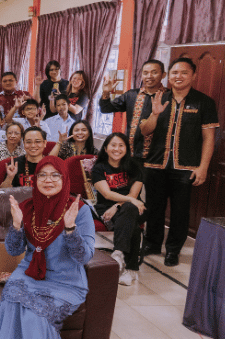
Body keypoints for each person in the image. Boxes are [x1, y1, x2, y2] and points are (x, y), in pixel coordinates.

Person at [0, 156, 103, 339]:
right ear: (35, 179)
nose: (48, 180)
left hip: (65, 281)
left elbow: (84, 257)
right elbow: (13, 250)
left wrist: (71, 229)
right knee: (10, 303)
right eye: (42, 175)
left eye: (55, 175)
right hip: (29, 273)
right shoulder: (27, 207)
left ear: (65, 179)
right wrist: (17, 226)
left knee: (35, 318)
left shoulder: (80, 210)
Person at [140, 57, 219, 267]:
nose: (179, 76)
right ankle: (152, 243)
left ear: (193, 75)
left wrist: (203, 167)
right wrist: (155, 114)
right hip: (155, 164)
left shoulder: (204, 102)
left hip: (185, 167)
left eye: (184, 72)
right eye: (175, 72)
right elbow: (145, 130)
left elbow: (209, 138)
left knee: (180, 211)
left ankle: (173, 250)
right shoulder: (157, 98)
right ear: (169, 75)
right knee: (154, 208)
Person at [92, 133, 146, 286]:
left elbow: (133, 195)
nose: (117, 149)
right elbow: (106, 194)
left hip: (133, 208)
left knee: (130, 210)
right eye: (113, 145)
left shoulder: (135, 166)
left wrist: (118, 206)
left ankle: (118, 253)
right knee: (133, 225)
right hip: (106, 207)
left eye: (121, 145)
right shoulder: (99, 167)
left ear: (126, 149)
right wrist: (124, 202)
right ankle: (131, 270)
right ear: (106, 148)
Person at [99, 59, 167, 164]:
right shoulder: (131, 95)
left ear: (163, 75)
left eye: (154, 72)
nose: (149, 76)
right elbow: (106, 108)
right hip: (132, 154)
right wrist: (106, 93)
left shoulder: (169, 97)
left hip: (159, 158)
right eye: (145, 73)